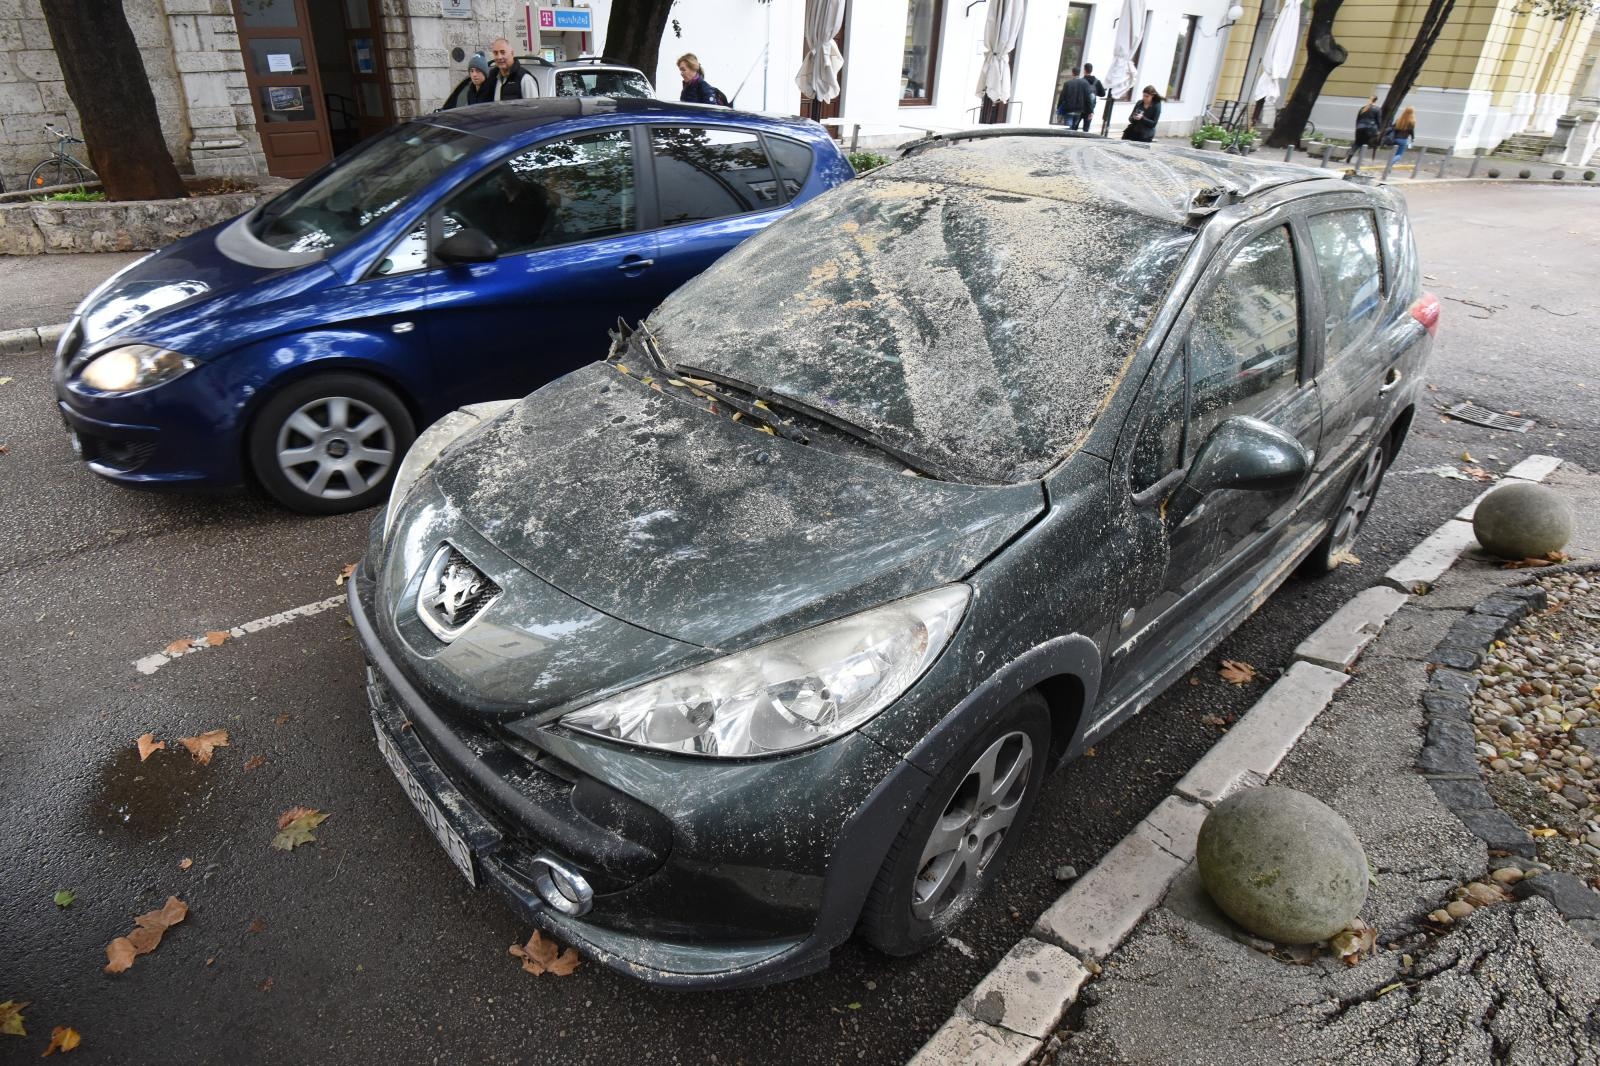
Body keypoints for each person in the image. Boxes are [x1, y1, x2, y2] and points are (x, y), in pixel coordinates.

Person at [1083, 62, 1108, 132]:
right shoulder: (1097, 82)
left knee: (1074, 128)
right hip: (1090, 108)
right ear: (1091, 70)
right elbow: (1103, 94)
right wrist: (1094, 93)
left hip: (1081, 107)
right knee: (1086, 129)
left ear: (1084, 70)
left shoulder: (1082, 81)